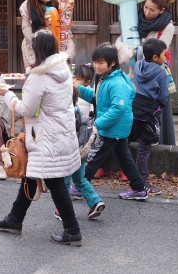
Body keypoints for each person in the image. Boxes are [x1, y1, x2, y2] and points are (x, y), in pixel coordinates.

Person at [0, 30, 82, 246]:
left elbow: (26, 109)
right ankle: (14, 220)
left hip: (45, 136)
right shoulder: (63, 69)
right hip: (60, 132)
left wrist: (7, 94)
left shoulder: (39, 76)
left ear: (37, 49)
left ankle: (73, 231)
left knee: (55, 182)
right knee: (31, 176)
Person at [78, 43, 148, 201]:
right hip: (116, 128)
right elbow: (96, 98)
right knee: (125, 159)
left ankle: (80, 186)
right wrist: (79, 89)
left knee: (93, 157)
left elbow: (118, 108)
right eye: (95, 62)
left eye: (101, 62)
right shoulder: (105, 78)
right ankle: (139, 189)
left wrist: (98, 123)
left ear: (113, 63)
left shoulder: (117, 83)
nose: (97, 66)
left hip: (111, 128)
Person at [115, 0, 176, 146]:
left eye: (152, 10)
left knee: (156, 115)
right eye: (146, 7)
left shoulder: (168, 27)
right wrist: (124, 49)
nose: (147, 12)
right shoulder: (136, 19)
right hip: (136, 74)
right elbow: (120, 40)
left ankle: (161, 149)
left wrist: (134, 51)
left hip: (156, 78)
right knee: (136, 115)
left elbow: (158, 49)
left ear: (161, 10)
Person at [54, 85, 105, 221]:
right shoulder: (80, 113)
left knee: (63, 183)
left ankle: (62, 210)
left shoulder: (65, 116)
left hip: (68, 155)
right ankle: (95, 202)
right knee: (80, 180)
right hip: (81, 154)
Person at [129, 39, 170, 195]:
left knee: (125, 143)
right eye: (163, 54)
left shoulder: (138, 65)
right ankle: (142, 181)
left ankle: (132, 177)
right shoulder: (161, 71)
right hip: (149, 112)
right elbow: (163, 95)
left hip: (134, 109)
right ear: (155, 57)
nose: (165, 58)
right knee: (144, 148)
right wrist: (160, 107)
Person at [20, 0, 75, 71]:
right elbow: (28, 36)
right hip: (36, 48)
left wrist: (66, 56)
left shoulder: (59, 4)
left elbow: (67, 33)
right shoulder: (26, 7)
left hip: (59, 45)